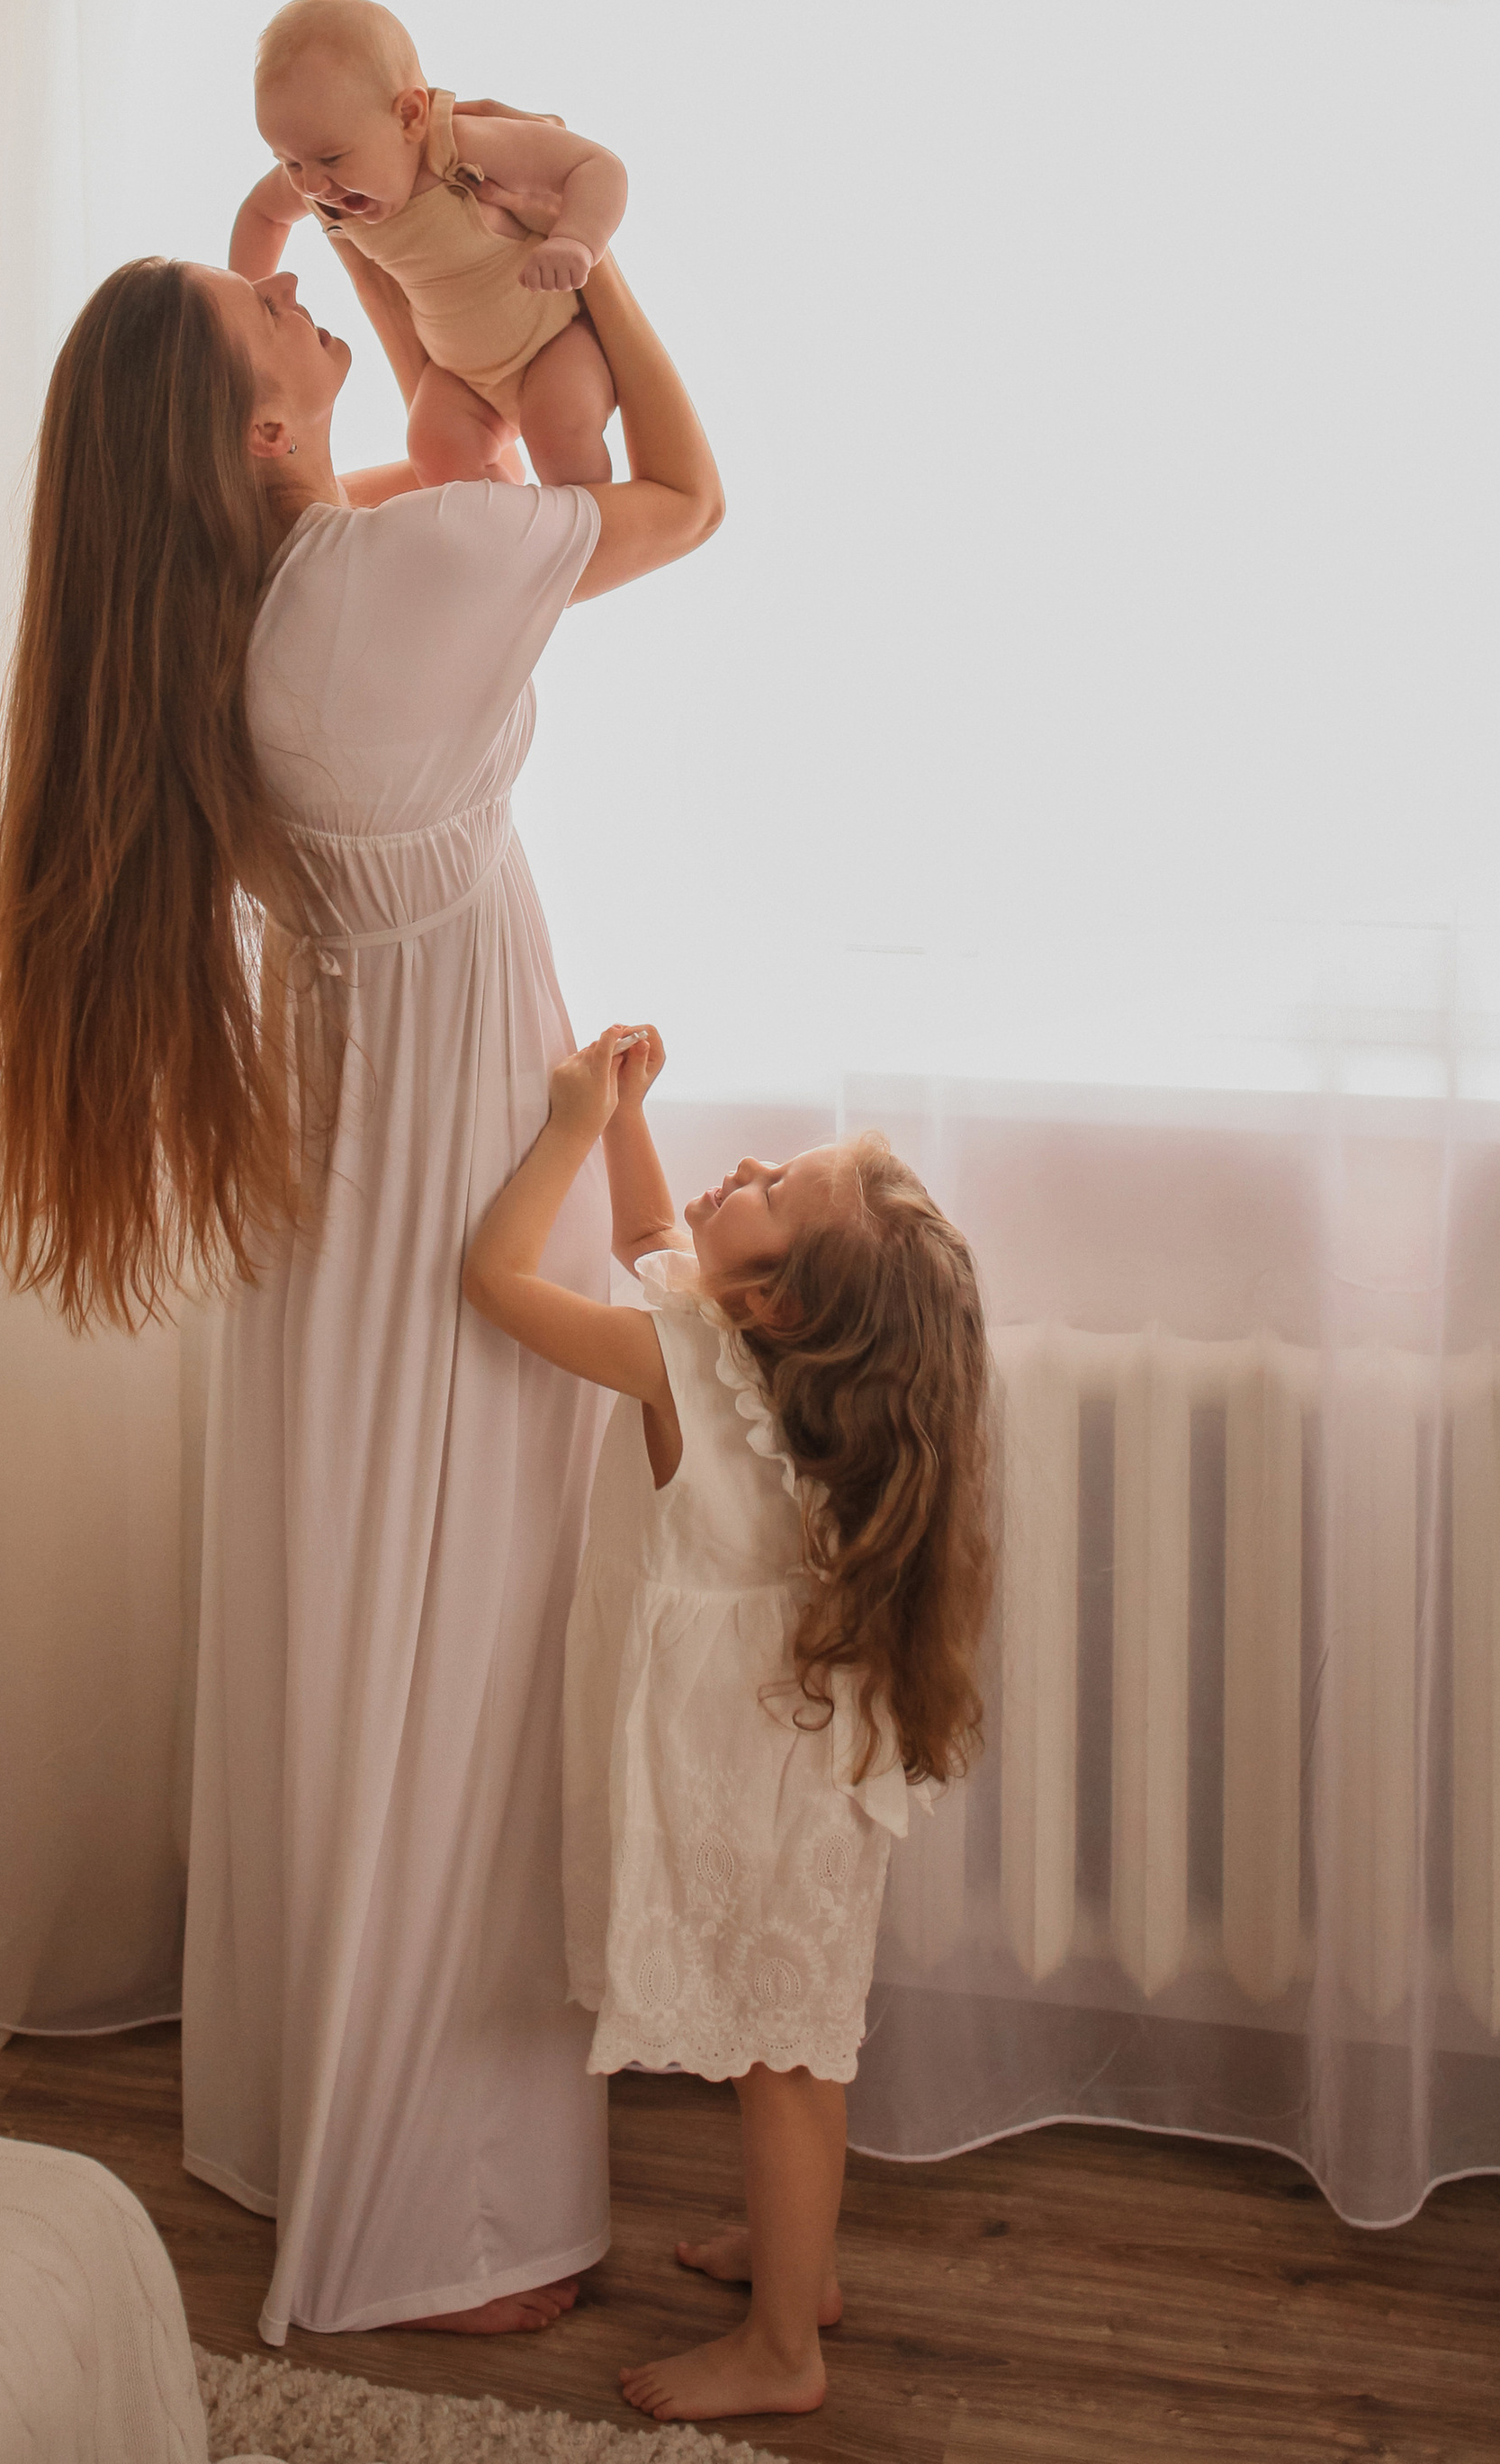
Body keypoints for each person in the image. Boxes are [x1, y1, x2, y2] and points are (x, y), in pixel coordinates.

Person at [0, 234, 720, 2346]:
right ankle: (446, 2211)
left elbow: (417, 455)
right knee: (462, 1648)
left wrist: (358, 282)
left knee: (360, 1612)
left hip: (357, 1160)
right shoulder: (365, 592)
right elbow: (670, 493)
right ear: (268, 431)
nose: (294, 308)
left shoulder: (229, 617)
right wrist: (600, 276)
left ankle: (326, 2120)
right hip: (464, 1142)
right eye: (271, 321)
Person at [463, 1022, 994, 2424]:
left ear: (772, 1305)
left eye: (775, 1189)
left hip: (751, 1773)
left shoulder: (676, 1364)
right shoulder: (765, 1371)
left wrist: (574, 1121)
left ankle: (784, 2351)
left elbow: (494, 1280)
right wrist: (643, 1116)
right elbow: (658, 1237)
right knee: (796, 2041)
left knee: (784, 2056)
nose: (745, 1166)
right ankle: (793, 2263)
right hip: (807, 1761)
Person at [231, 0, 624, 488]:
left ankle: (594, 540)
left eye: (331, 159)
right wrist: (246, 307)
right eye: (290, 163)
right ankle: (509, 533)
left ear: (410, 118)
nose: (309, 184)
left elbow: (595, 166)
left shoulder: (455, 148)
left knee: (558, 433)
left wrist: (576, 241)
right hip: (459, 372)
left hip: (555, 342)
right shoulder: (321, 187)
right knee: (432, 450)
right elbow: (261, 214)